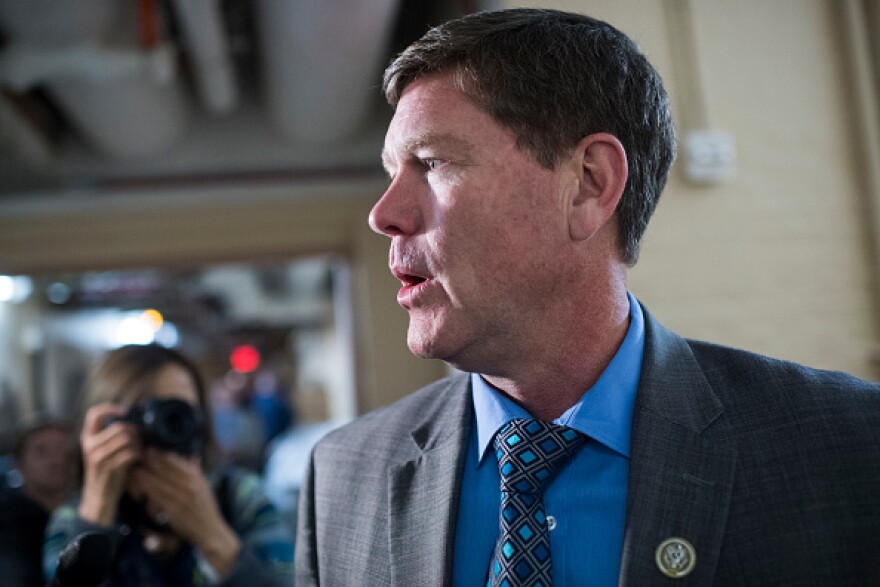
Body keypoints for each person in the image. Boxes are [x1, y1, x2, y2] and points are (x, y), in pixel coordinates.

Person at [294, 8, 880, 586]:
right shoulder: (343, 479)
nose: (384, 215)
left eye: (431, 162)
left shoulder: (848, 448)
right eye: (391, 172)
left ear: (589, 184)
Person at [44, 344, 293, 586]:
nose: (162, 430)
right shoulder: (70, 520)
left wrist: (213, 535)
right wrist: (95, 518)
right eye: (144, 415)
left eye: (178, 414)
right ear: (108, 424)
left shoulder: (241, 498)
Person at [0, 416, 76, 587]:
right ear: (18, 464)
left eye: (65, 451)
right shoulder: (9, 528)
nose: (57, 460)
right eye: (42, 452)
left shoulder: (86, 514)